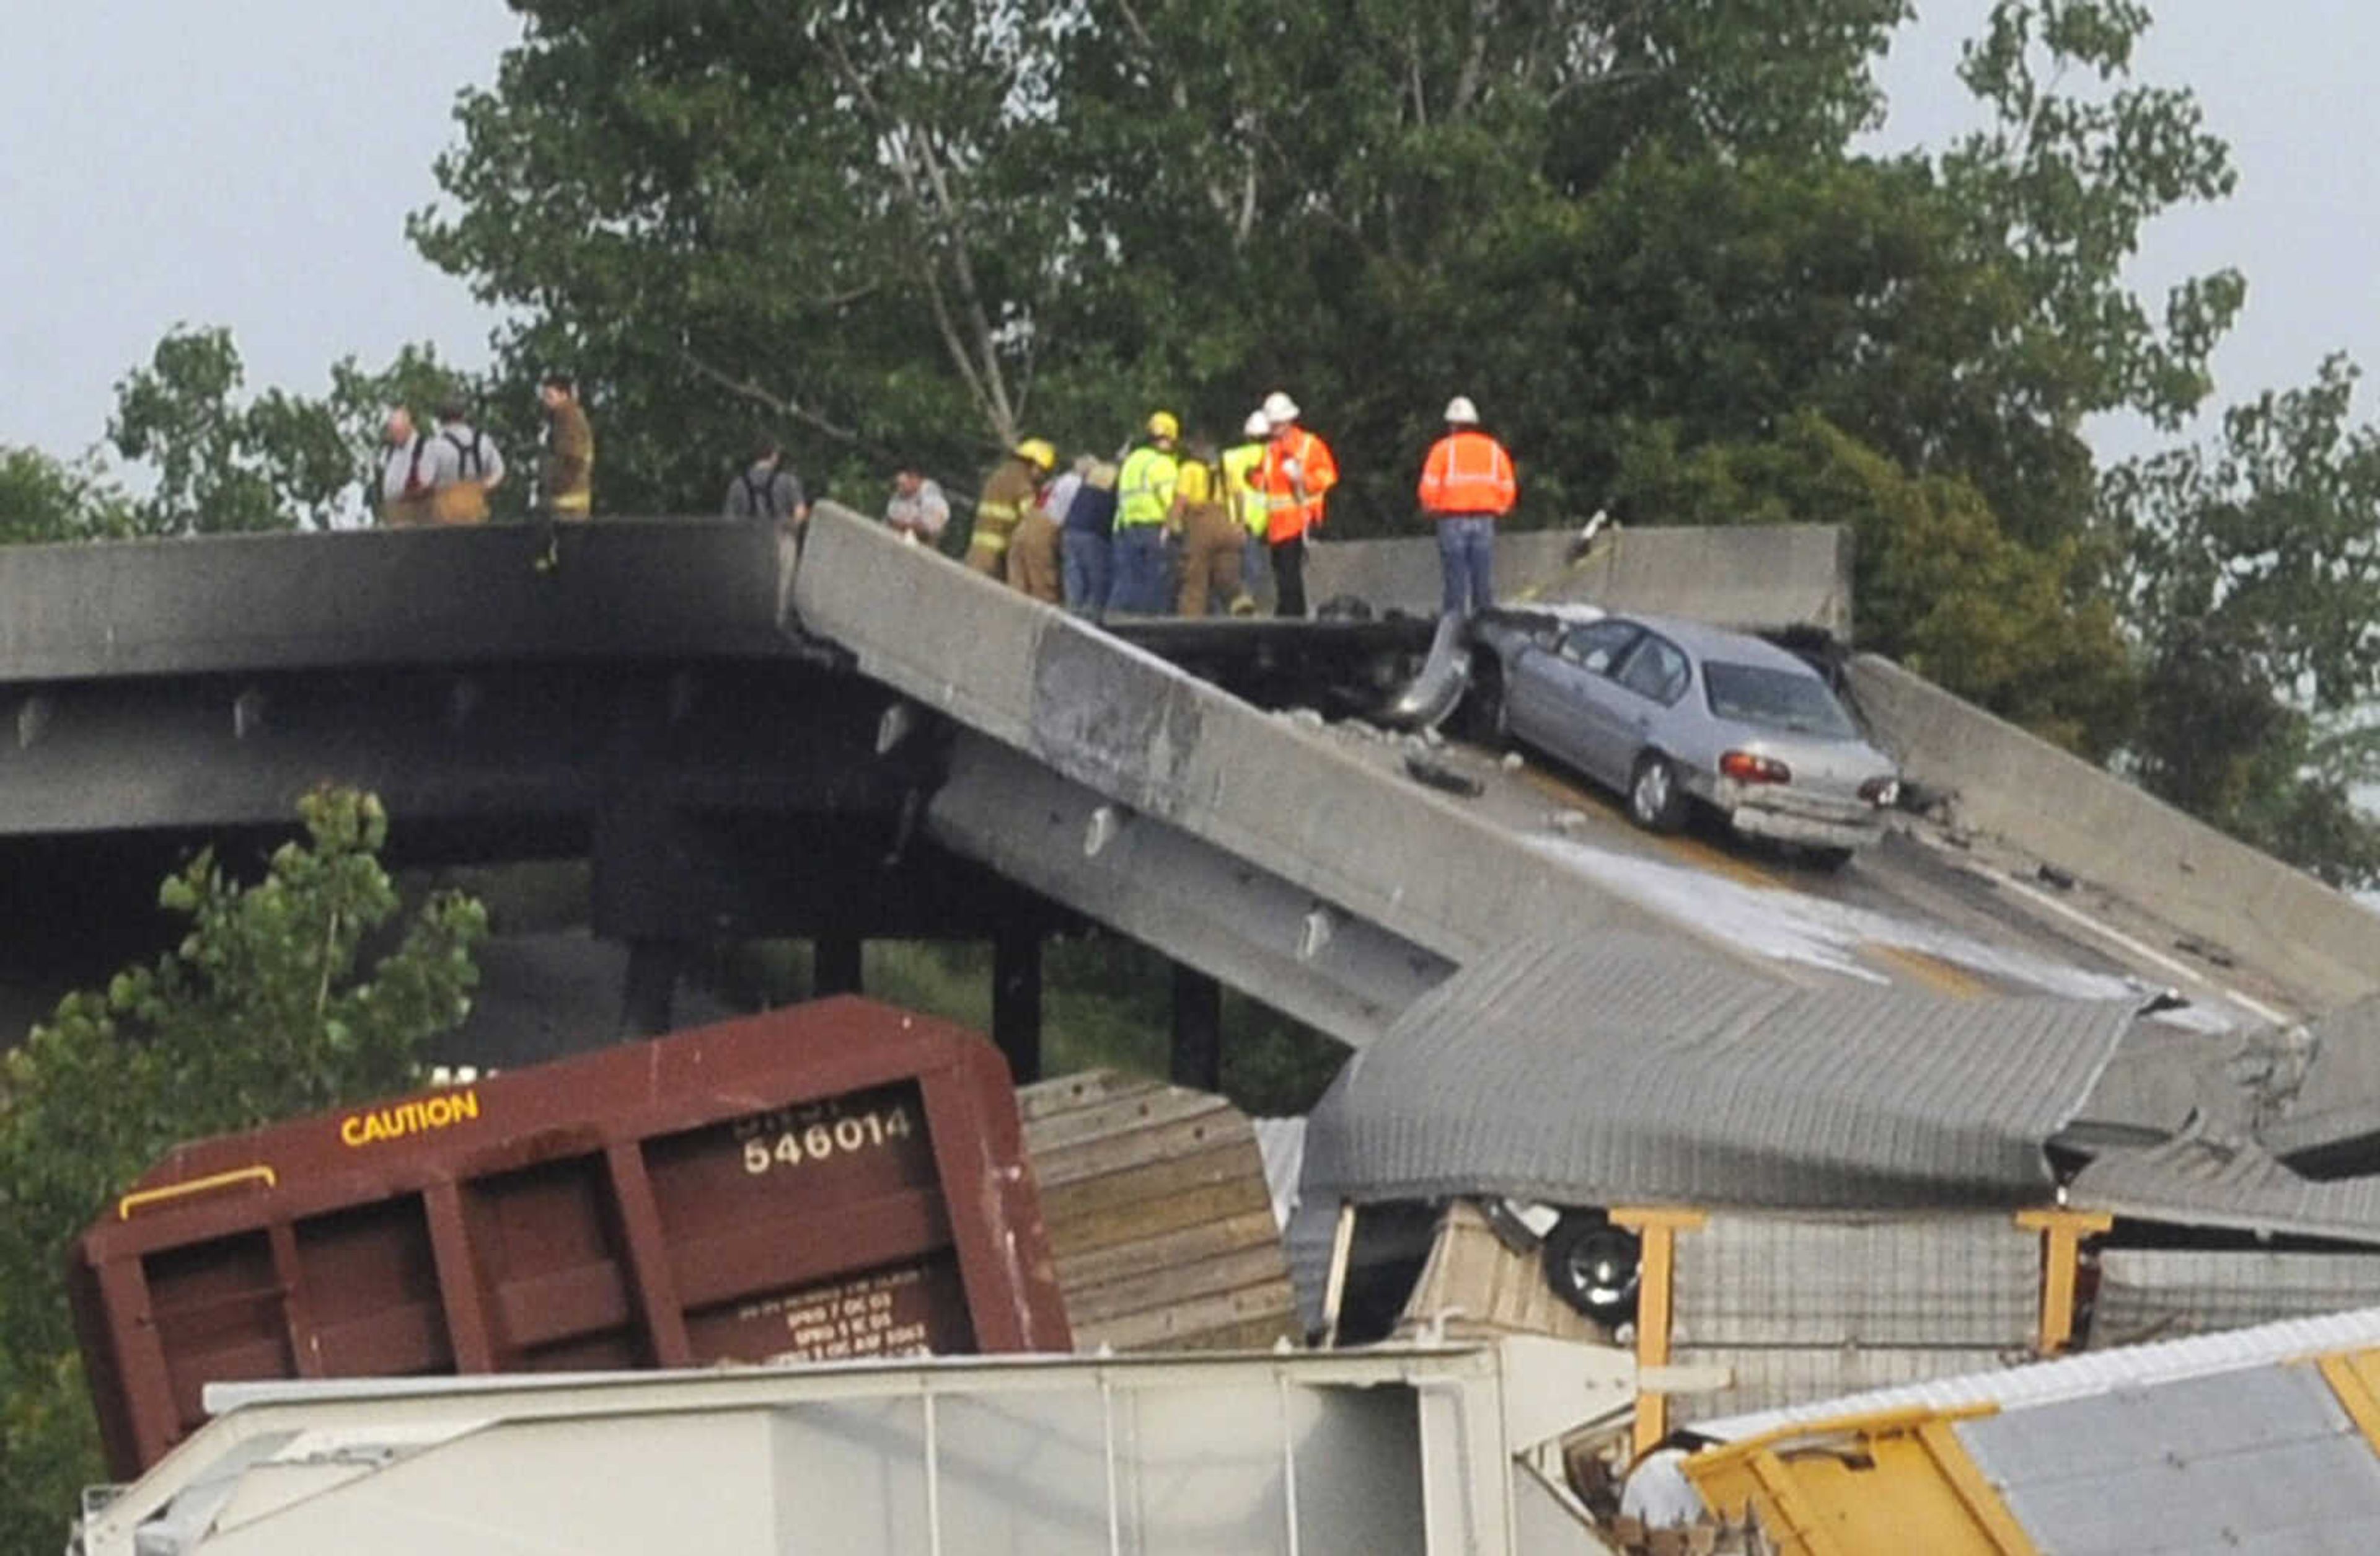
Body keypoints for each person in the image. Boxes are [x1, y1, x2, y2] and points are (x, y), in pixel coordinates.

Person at [1416, 395, 1517, 616]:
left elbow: (1429, 487)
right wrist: (1500, 507)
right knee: (1483, 580)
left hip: (1451, 519)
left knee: (1455, 583)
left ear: (1453, 425)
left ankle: (1454, 632)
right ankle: (1486, 629)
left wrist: (1430, 508)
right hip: (1485, 520)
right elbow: (1508, 485)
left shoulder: (1443, 450)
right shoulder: (1493, 449)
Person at [1248, 391, 1337, 617]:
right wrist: (1253, 478)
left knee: (1290, 579)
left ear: (1289, 421)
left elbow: (1328, 476)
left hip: (1300, 521)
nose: (1275, 428)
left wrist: (1302, 479)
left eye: (1278, 423)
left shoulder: (1309, 445)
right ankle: (1288, 620)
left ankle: (1293, 622)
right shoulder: (1271, 449)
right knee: (1282, 578)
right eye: (1272, 424)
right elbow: (1266, 481)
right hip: (1277, 526)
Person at [1112, 411, 1183, 614]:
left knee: (1130, 583)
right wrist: (1177, 532)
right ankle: (1152, 629)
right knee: (1157, 583)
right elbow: (1171, 503)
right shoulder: (1163, 464)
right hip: (1154, 530)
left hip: (1126, 528)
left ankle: (1119, 626)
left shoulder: (1133, 460)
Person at [1174, 439, 1244, 616]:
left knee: (1194, 578)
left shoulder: (1189, 469)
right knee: (1227, 576)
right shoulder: (1225, 469)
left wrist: (1171, 524)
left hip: (1200, 522)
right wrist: (1239, 523)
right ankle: (1242, 603)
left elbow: (1181, 500)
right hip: (1224, 521)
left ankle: (1191, 622)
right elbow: (1239, 495)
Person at [532, 374, 592, 573]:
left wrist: (554, 486)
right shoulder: (558, 421)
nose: (545, 401)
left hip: (567, 506)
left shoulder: (569, 419)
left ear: (564, 395)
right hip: (563, 504)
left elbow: (573, 459)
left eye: (550, 396)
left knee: (565, 562)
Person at [969, 439, 1054, 577]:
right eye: (1043, 471)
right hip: (997, 557)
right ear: (1032, 463)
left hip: (977, 552)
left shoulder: (999, 475)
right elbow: (1032, 517)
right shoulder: (1023, 484)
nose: (1043, 476)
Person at [1219, 410, 1271, 615]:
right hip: (1259, 523)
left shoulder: (1231, 457)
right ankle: (1243, 606)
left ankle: (1234, 606)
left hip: (1232, 520)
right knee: (1252, 569)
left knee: (1233, 569)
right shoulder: (1272, 455)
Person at [425, 400, 505, 525]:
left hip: (446, 515)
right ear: (464, 416)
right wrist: (483, 487)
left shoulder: (435, 445)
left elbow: (426, 481)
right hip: (476, 511)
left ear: (440, 420)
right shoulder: (483, 440)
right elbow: (499, 472)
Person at [1005, 454, 1064, 604]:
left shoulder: (1054, 483)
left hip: (1024, 526)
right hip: (1044, 529)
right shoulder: (1074, 484)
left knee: (1017, 584)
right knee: (1043, 588)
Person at [1062, 461, 1118, 618]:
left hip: (1071, 531)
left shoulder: (1085, 489)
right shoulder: (1108, 493)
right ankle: (1092, 623)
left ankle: (1072, 620)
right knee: (1097, 581)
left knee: (1075, 581)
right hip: (1093, 535)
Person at [723, 439, 808, 531]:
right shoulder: (788, 481)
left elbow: (729, 521)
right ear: (774, 456)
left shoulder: (737, 484)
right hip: (779, 539)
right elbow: (800, 513)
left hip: (747, 540)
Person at [377, 407, 433, 528]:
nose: (396, 437)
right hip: (394, 521)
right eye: (393, 433)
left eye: (399, 432)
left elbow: (427, 487)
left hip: (416, 524)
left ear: (410, 427)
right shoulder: (391, 452)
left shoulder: (425, 447)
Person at [885, 469, 951, 546]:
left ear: (915, 480)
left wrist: (910, 525)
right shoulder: (900, 495)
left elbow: (933, 525)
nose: (900, 488)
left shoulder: (931, 495)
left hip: (924, 536)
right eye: (900, 485)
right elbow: (892, 517)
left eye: (904, 484)